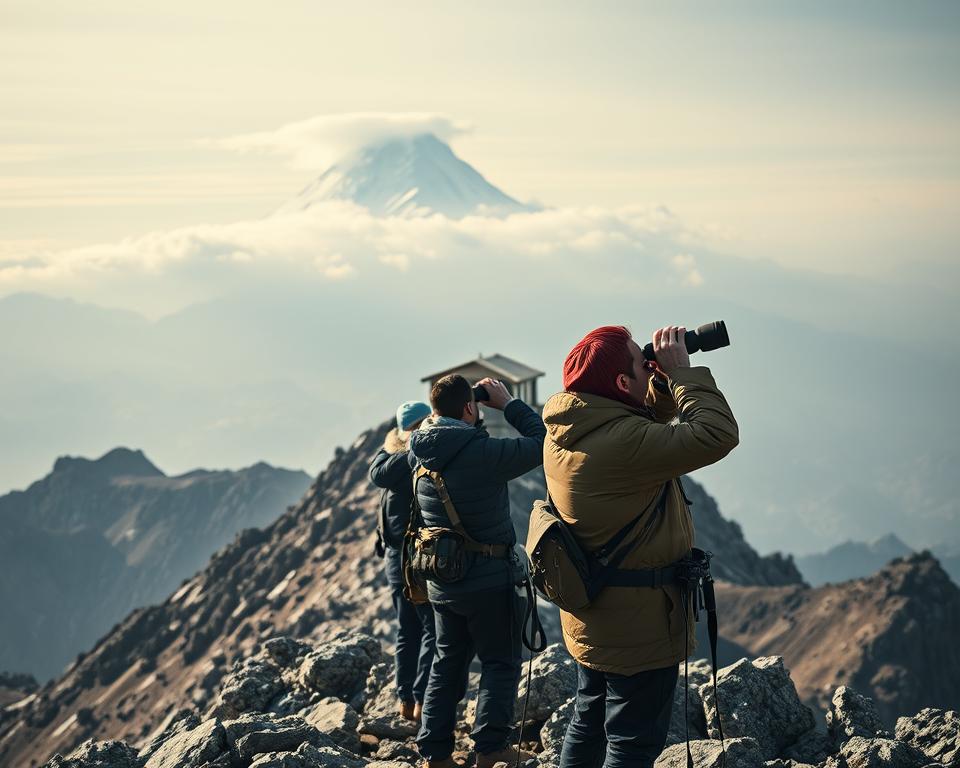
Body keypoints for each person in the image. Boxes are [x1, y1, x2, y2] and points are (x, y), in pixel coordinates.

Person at [541, 325, 739, 768]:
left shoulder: (567, 429)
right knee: (631, 745)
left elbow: (637, 426)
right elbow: (717, 434)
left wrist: (656, 382)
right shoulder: (621, 444)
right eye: (638, 361)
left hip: (592, 615)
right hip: (639, 627)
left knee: (588, 722)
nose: (646, 361)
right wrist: (684, 375)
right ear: (621, 385)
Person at [409, 375, 546, 768]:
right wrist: (508, 404)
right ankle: (490, 749)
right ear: (470, 408)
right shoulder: (485, 456)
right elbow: (542, 442)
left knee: (446, 663)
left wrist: (470, 414)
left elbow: (456, 443)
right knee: (500, 663)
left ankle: (435, 754)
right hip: (489, 581)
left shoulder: (418, 451)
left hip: (442, 580)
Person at [369, 400, 435, 722]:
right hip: (417, 561)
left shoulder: (388, 460)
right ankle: (422, 700)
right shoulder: (413, 459)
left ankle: (405, 700)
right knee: (431, 630)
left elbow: (376, 468)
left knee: (407, 631)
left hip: (395, 562)